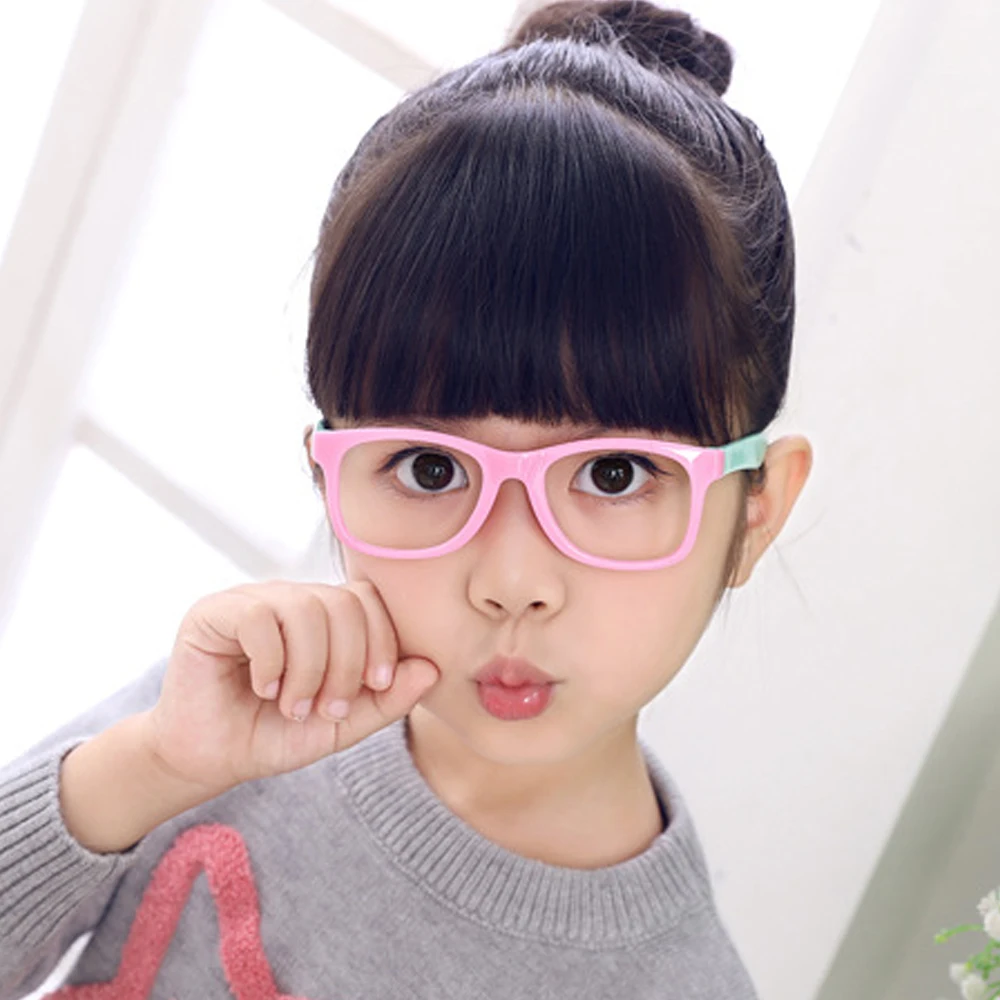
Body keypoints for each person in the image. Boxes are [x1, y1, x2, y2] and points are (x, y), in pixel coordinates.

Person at [0, 2, 812, 997]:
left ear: (756, 510)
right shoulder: (225, 712)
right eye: (432, 469)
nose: (512, 579)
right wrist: (150, 767)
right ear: (327, 472)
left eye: (613, 474)